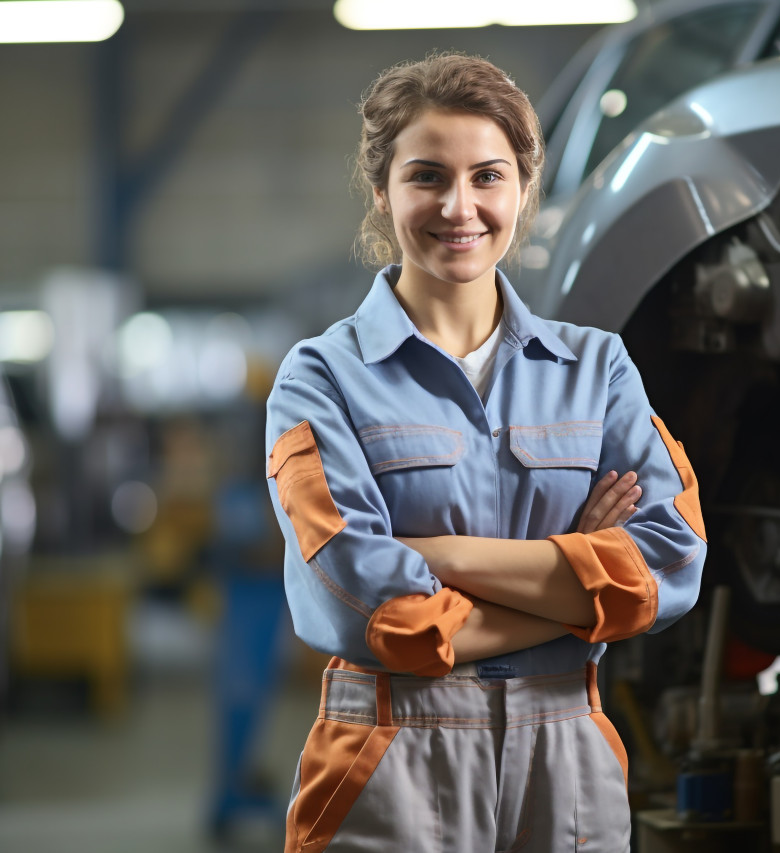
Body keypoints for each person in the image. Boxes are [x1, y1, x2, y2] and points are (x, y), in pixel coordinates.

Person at [265, 52, 707, 853]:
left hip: (567, 760)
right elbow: (369, 610)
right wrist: (576, 585)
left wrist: (435, 554)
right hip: (392, 761)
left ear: (523, 190)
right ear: (382, 192)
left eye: (488, 176)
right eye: (427, 175)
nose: (459, 206)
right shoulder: (321, 378)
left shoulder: (596, 367)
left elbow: (671, 563)